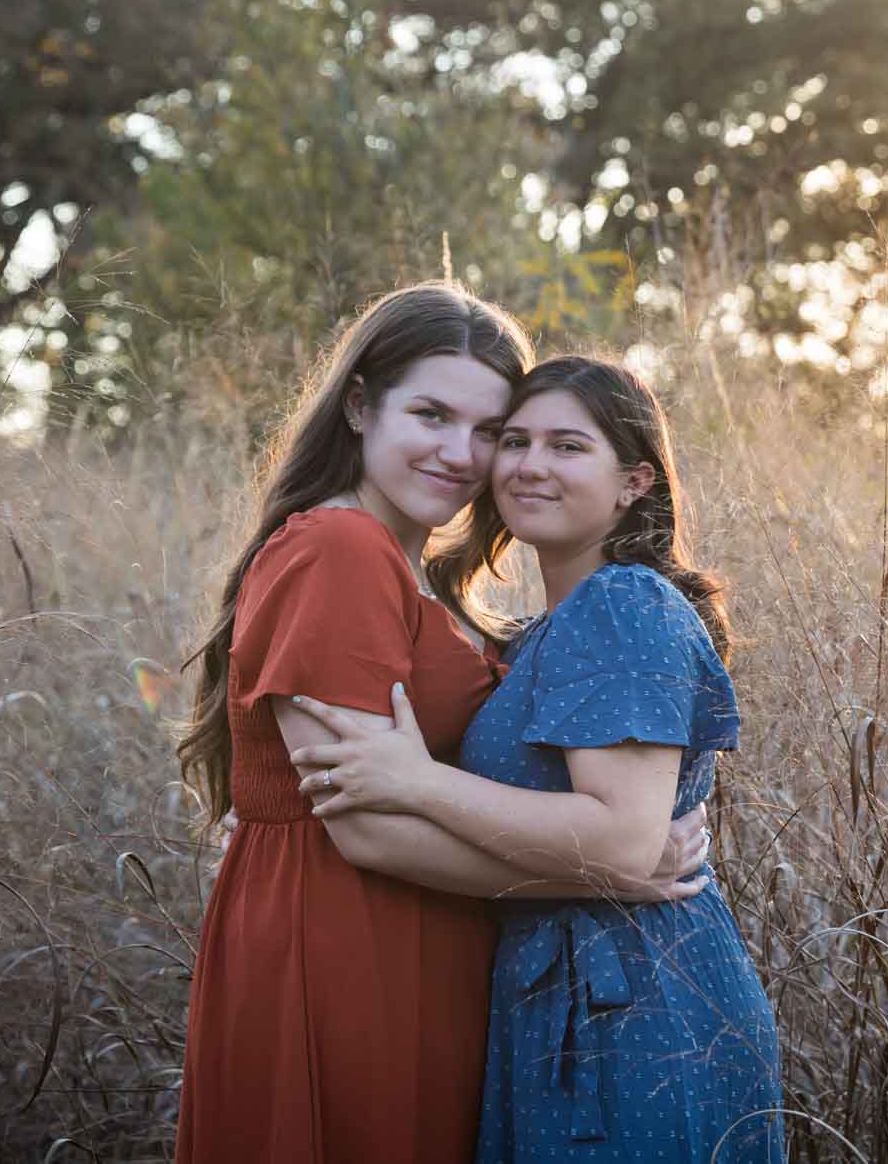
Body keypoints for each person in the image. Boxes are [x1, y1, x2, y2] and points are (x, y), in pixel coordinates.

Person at [174, 293, 708, 1164]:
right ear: (358, 406)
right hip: (341, 949)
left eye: (489, 428)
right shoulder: (337, 552)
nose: (461, 454)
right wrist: (610, 875)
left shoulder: (427, 577)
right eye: (431, 414)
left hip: (430, 938)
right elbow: (370, 828)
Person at [289, 356, 785, 1163]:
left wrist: (419, 781)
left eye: (566, 446)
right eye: (513, 440)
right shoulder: (543, 630)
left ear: (634, 482)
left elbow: (623, 843)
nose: (528, 464)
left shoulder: (621, 604)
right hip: (556, 996)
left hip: (633, 1011)